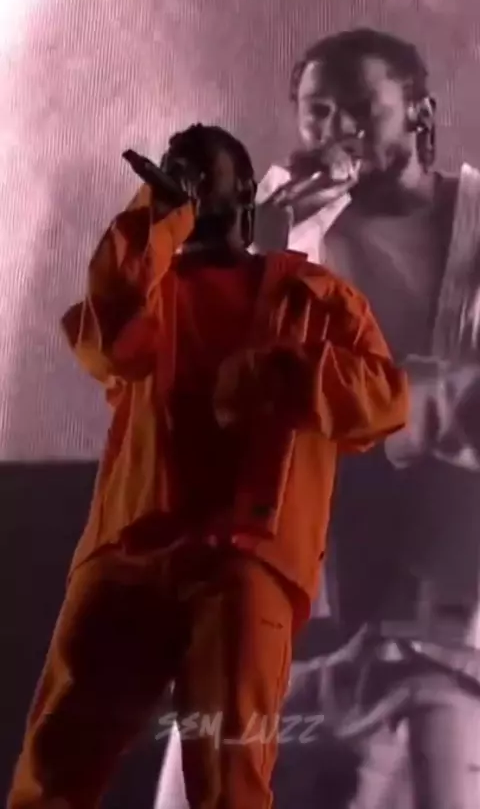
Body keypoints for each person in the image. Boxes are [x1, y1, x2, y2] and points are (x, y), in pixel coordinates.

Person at [7, 122, 407, 809]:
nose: (182, 171)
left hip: (243, 565)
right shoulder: (149, 289)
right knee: (52, 774)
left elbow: (385, 402)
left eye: (200, 167)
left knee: (229, 784)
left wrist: (292, 370)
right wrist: (154, 218)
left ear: (245, 191)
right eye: (174, 165)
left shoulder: (315, 297)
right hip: (128, 556)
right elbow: (108, 340)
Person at [255, 28, 480, 809]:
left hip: (451, 585)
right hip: (326, 573)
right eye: (318, 112)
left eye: (361, 108)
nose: (338, 131)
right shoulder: (280, 227)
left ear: (421, 112)